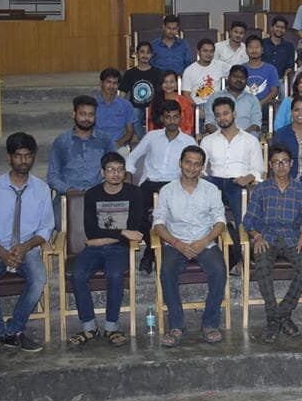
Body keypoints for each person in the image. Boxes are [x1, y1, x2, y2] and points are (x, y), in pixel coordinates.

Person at [0, 132, 54, 361]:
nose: (23, 161)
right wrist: (2, 252)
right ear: (9, 158)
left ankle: (14, 330)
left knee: (39, 278)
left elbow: (46, 228)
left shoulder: (41, 189)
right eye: (18, 156)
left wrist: (25, 247)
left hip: (27, 249)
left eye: (28, 156)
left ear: (33, 157)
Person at [67, 152, 143, 348]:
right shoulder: (92, 194)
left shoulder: (134, 193)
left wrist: (103, 239)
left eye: (119, 170)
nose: (115, 174)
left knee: (115, 275)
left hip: (119, 249)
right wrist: (122, 232)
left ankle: (111, 327)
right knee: (78, 274)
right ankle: (89, 327)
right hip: (94, 250)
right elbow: (91, 231)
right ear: (102, 173)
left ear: (124, 172)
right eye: (110, 170)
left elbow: (135, 228)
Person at [153, 146, 227, 347]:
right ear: (180, 163)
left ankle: (210, 324)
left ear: (202, 167)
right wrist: (177, 243)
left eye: (197, 164)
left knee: (219, 270)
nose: (192, 167)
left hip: (204, 242)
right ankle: (176, 326)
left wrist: (204, 241)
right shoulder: (167, 191)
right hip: (176, 243)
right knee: (167, 271)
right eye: (188, 162)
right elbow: (158, 224)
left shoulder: (211, 190)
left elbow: (220, 221)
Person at [243, 145, 302, 343]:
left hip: (294, 237)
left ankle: (280, 313)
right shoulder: (261, 189)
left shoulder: (301, 190)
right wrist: (256, 236)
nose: (281, 166)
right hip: (266, 237)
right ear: (270, 165)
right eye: (276, 162)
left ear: (291, 164)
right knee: (262, 266)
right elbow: (248, 220)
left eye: (284, 162)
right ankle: (275, 317)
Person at [126, 99, 196, 274]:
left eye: (175, 117)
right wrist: (128, 177)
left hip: (174, 184)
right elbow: (132, 157)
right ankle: (153, 248)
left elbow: (198, 167)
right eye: (168, 117)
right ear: (162, 119)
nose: (172, 121)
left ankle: (150, 255)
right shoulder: (152, 136)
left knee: (169, 217)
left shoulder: (188, 141)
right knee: (136, 215)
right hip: (150, 182)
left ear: (180, 118)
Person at [47, 95, 115, 228]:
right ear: (74, 114)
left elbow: (113, 169)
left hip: (99, 195)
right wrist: (68, 189)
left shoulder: (105, 140)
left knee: (111, 224)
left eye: (91, 115)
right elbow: (52, 176)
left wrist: (103, 189)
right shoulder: (61, 141)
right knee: (58, 223)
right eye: (82, 114)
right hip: (67, 196)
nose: (87, 119)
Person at [200, 96, 265, 221]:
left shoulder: (250, 140)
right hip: (214, 182)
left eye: (226, 113)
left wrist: (248, 177)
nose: (222, 118)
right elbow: (200, 168)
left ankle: (242, 231)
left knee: (240, 195)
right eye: (218, 115)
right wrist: (203, 178)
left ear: (234, 114)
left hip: (238, 182)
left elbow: (258, 168)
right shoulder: (207, 141)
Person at [119, 41, 164, 140]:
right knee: (134, 115)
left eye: (148, 52)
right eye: (142, 52)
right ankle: (145, 140)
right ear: (136, 54)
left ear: (151, 55)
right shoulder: (130, 73)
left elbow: (163, 93)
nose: (145, 55)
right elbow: (122, 94)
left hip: (153, 106)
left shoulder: (158, 72)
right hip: (135, 107)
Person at [181, 39, 230, 127]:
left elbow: (236, 74)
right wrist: (195, 109)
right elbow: (186, 94)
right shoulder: (189, 70)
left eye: (211, 51)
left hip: (216, 106)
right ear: (198, 52)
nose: (208, 54)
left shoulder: (220, 65)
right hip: (197, 105)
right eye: (205, 51)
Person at [202, 65, 262, 136]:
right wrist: (222, 137)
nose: (238, 80)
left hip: (246, 138)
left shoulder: (253, 99)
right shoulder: (215, 97)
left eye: (242, 77)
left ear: (246, 80)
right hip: (219, 138)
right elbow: (209, 123)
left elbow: (256, 125)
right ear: (228, 78)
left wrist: (240, 137)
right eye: (235, 76)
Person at [96, 68, 135, 148]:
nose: (111, 86)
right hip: (97, 146)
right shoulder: (92, 105)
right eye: (108, 82)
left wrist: (118, 144)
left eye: (115, 83)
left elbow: (130, 132)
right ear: (101, 83)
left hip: (119, 146)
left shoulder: (126, 105)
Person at [148, 70, 195, 137]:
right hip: (159, 138)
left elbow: (189, 125)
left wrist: (181, 138)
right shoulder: (155, 101)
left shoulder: (184, 101)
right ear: (161, 84)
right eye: (165, 82)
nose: (168, 85)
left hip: (181, 136)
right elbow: (151, 125)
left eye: (172, 82)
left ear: (177, 84)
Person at [243, 35, 280, 108]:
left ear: (262, 50)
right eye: (251, 47)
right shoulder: (241, 69)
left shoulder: (271, 69)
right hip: (244, 106)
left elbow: (274, 91)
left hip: (265, 105)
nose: (254, 50)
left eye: (257, 47)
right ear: (246, 51)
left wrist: (260, 104)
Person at [263, 16, 296, 80]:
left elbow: (290, 67)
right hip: (263, 78)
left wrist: (285, 78)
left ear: (285, 30)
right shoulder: (262, 43)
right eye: (277, 27)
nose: (279, 29)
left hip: (281, 80)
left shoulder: (289, 46)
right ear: (272, 28)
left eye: (282, 28)